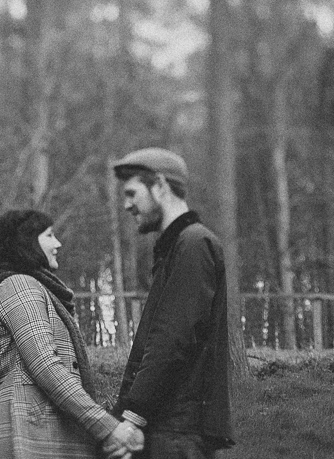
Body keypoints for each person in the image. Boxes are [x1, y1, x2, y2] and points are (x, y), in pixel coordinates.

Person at [0, 208, 147, 459]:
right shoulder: (20, 285)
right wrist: (107, 427)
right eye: (48, 235)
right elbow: (46, 366)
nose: (57, 243)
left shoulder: (36, 289)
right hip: (27, 437)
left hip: (38, 434)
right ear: (26, 243)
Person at [111, 147, 235, 457]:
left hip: (178, 433)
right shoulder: (177, 248)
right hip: (168, 429)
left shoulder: (193, 244)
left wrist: (133, 416)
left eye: (132, 193)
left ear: (161, 187)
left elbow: (173, 340)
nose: (126, 205)